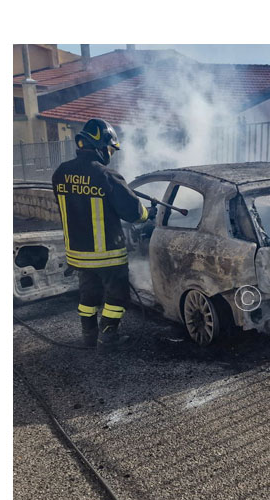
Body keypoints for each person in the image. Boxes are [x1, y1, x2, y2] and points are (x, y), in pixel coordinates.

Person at [51, 118, 156, 350]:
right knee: (117, 296)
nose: (111, 153)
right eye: (110, 148)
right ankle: (108, 337)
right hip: (106, 254)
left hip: (77, 253)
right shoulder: (106, 175)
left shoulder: (61, 173)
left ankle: (88, 336)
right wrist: (150, 214)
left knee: (88, 294)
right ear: (101, 146)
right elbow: (133, 213)